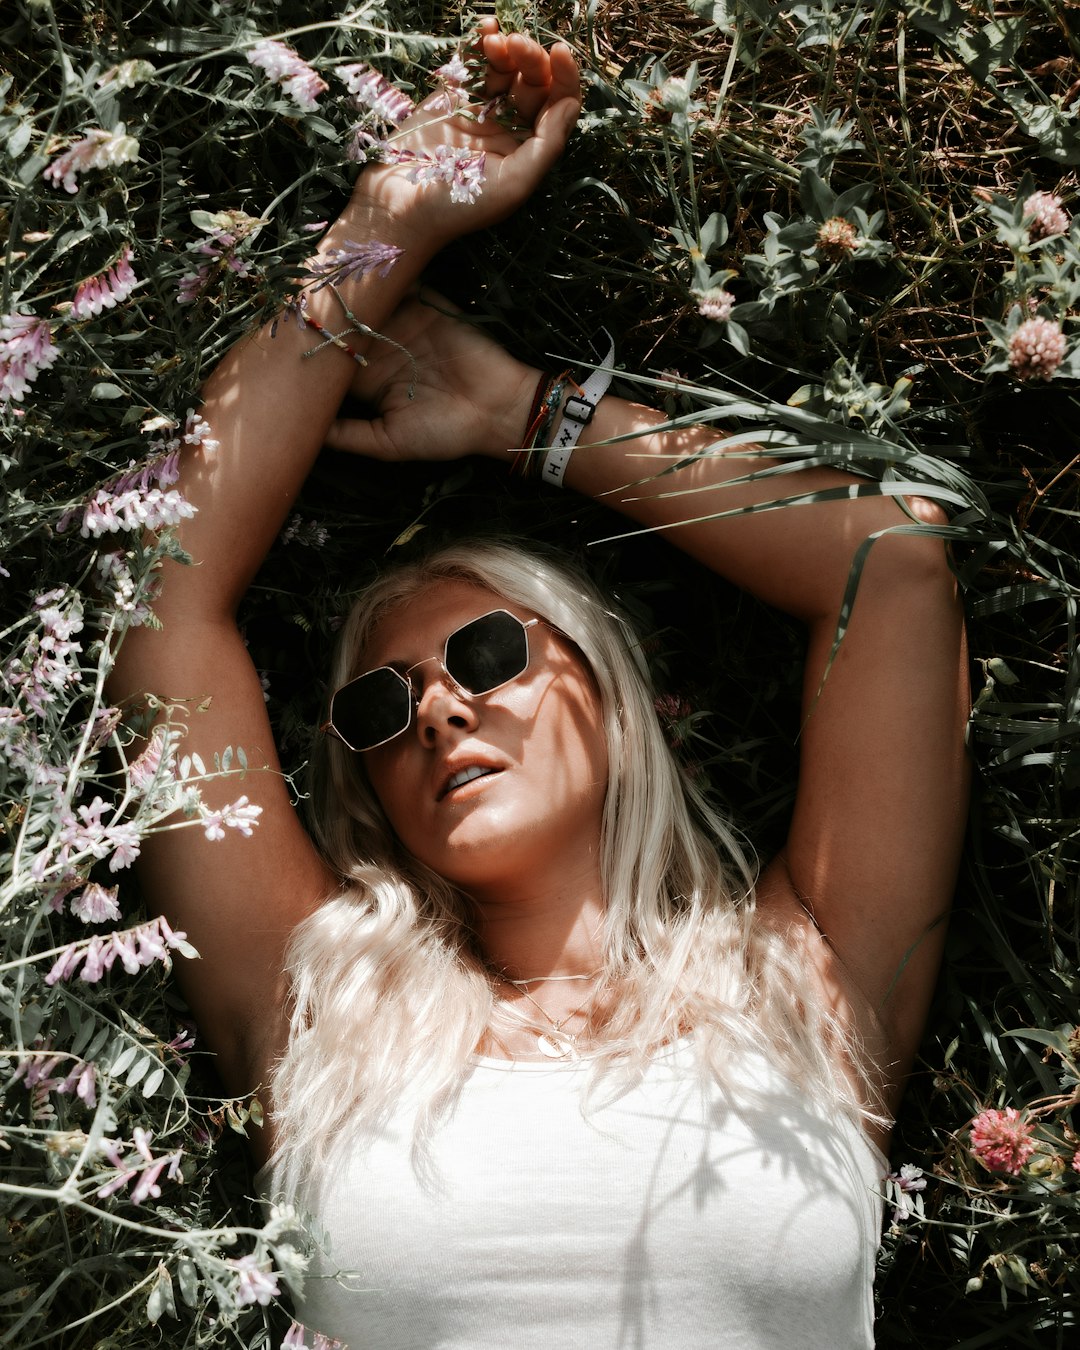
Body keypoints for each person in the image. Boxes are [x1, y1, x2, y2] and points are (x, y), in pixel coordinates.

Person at [110, 20, 970, 1349]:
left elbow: (889, 562)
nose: (440, 709)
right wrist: (381, 226)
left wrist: (521, 411)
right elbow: (158, 598)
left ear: (613, 698)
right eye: (379, 710)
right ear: (370, 791)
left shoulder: (810, 984)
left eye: (489, 654)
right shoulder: (321, 1009)